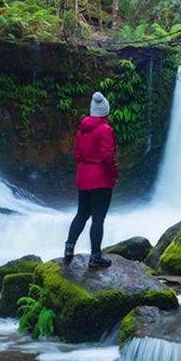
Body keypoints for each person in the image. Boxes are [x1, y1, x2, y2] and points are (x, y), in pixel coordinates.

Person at [64, 91, 118, 269]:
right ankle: (95, 256)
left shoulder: (82, 131)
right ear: (106, 111)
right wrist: (114, 173)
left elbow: (78, 156)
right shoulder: (105, 130)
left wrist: (86, 168)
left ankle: (69, 248)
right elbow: (107, 157)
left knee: (82, 213)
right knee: (98, 218)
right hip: (101, 179)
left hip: (84, 177)